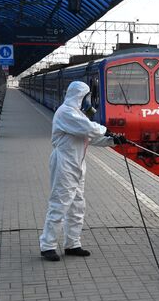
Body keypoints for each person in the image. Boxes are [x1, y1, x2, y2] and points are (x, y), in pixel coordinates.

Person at [39, 81, 127, 262]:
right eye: (87, 97)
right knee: (60, 204)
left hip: (77, 164)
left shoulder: (77, 114)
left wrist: (112, 141)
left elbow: (89, 138)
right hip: (64, 163)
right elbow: (89, 129)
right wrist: (106, 130)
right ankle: (47, 245)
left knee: (77, 205)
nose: (89, 101)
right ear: (79, 96)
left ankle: (72, 244)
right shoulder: (66, 113)